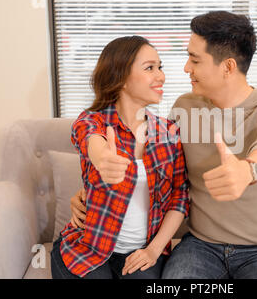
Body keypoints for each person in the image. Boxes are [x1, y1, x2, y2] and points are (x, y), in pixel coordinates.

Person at [71, 11, 257, 279]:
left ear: (227, 67)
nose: (185, 68)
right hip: (201, 246)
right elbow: (153, 162)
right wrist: (91, 188)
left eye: (194, 59)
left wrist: (249, 171)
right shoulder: (184, 107)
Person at [50, 35, 190, 279]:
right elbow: (90, 139)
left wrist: (153, 251)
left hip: (142, 252)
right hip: (88, 248)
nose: (161, 76)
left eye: (160, 67)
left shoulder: (169, 133)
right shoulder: (92, 121)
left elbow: (180, 196)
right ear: (122, 78)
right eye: (149, 68)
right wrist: (103, 159)